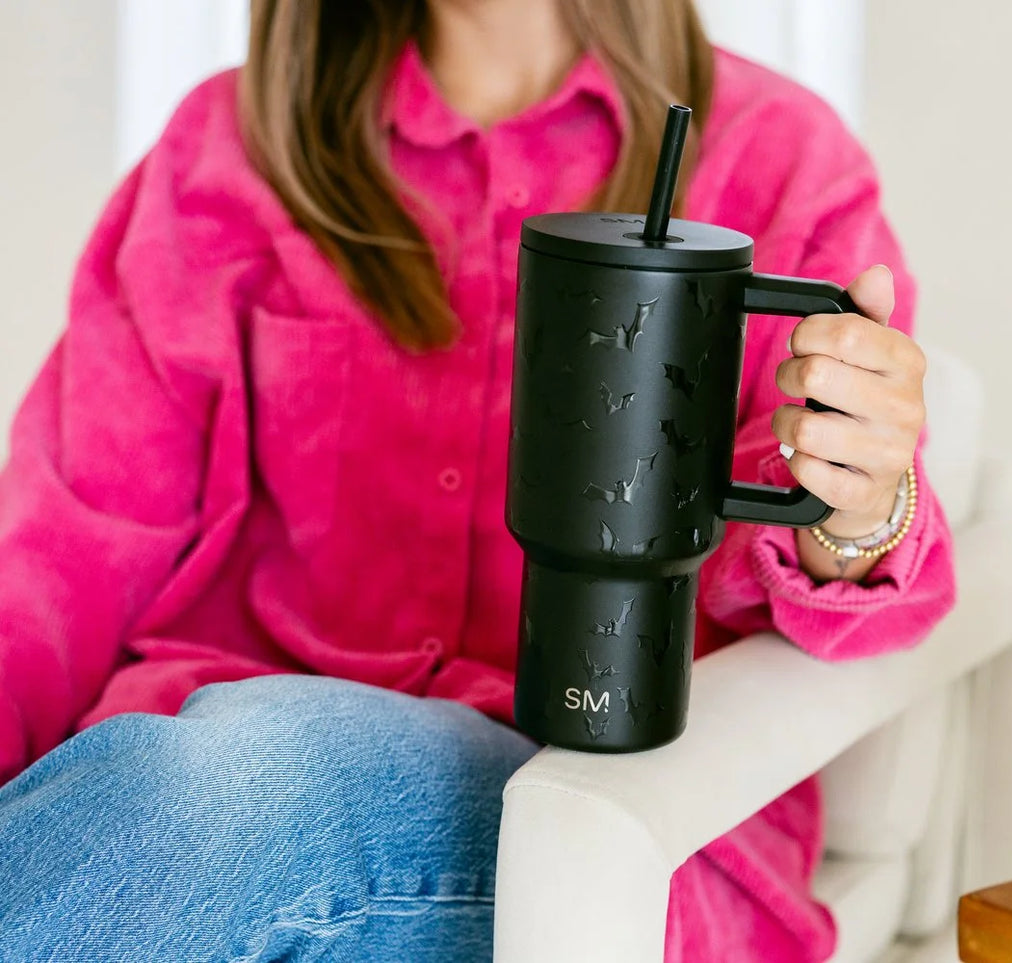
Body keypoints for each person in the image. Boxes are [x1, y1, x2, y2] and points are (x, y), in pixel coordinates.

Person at [0, 0, 955, 960]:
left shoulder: (779, 158)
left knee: (249, 780)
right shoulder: (225, 150)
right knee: (213, 780)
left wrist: (857, 500)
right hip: (188, 798)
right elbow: (59, 555)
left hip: (584, 824)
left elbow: (833, 538)